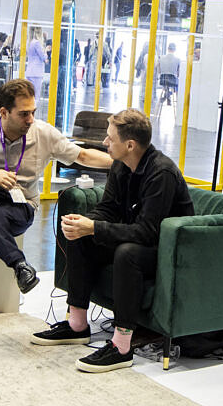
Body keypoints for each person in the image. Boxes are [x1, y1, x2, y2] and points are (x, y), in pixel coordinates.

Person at [0, 78, 112, 341]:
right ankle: (19, 264)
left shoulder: (43, 133)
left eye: (33, 112)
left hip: (19, 206)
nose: (30, 119)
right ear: (4, 112)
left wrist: (123, 161)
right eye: (23, 114)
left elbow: (83, 156)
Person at [32, 109, 194, 372]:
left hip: (168, 250)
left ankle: (122, 347)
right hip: (140, 238)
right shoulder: (121, 164)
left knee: (127, 253)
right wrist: (85, 223)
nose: (104, 142)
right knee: (81, 236)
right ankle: (77, 325)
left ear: (130, 145)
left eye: (110, 138)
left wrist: (95, 227)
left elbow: (147, 232)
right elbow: (108, 208)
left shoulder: (161, 173)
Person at [25, 26, 47, 98]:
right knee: (36, 95)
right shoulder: (37, 43)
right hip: (36, 73)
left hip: (29, 71)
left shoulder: (29, 42)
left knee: (29, 94)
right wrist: (46, 51)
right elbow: (42, 56)